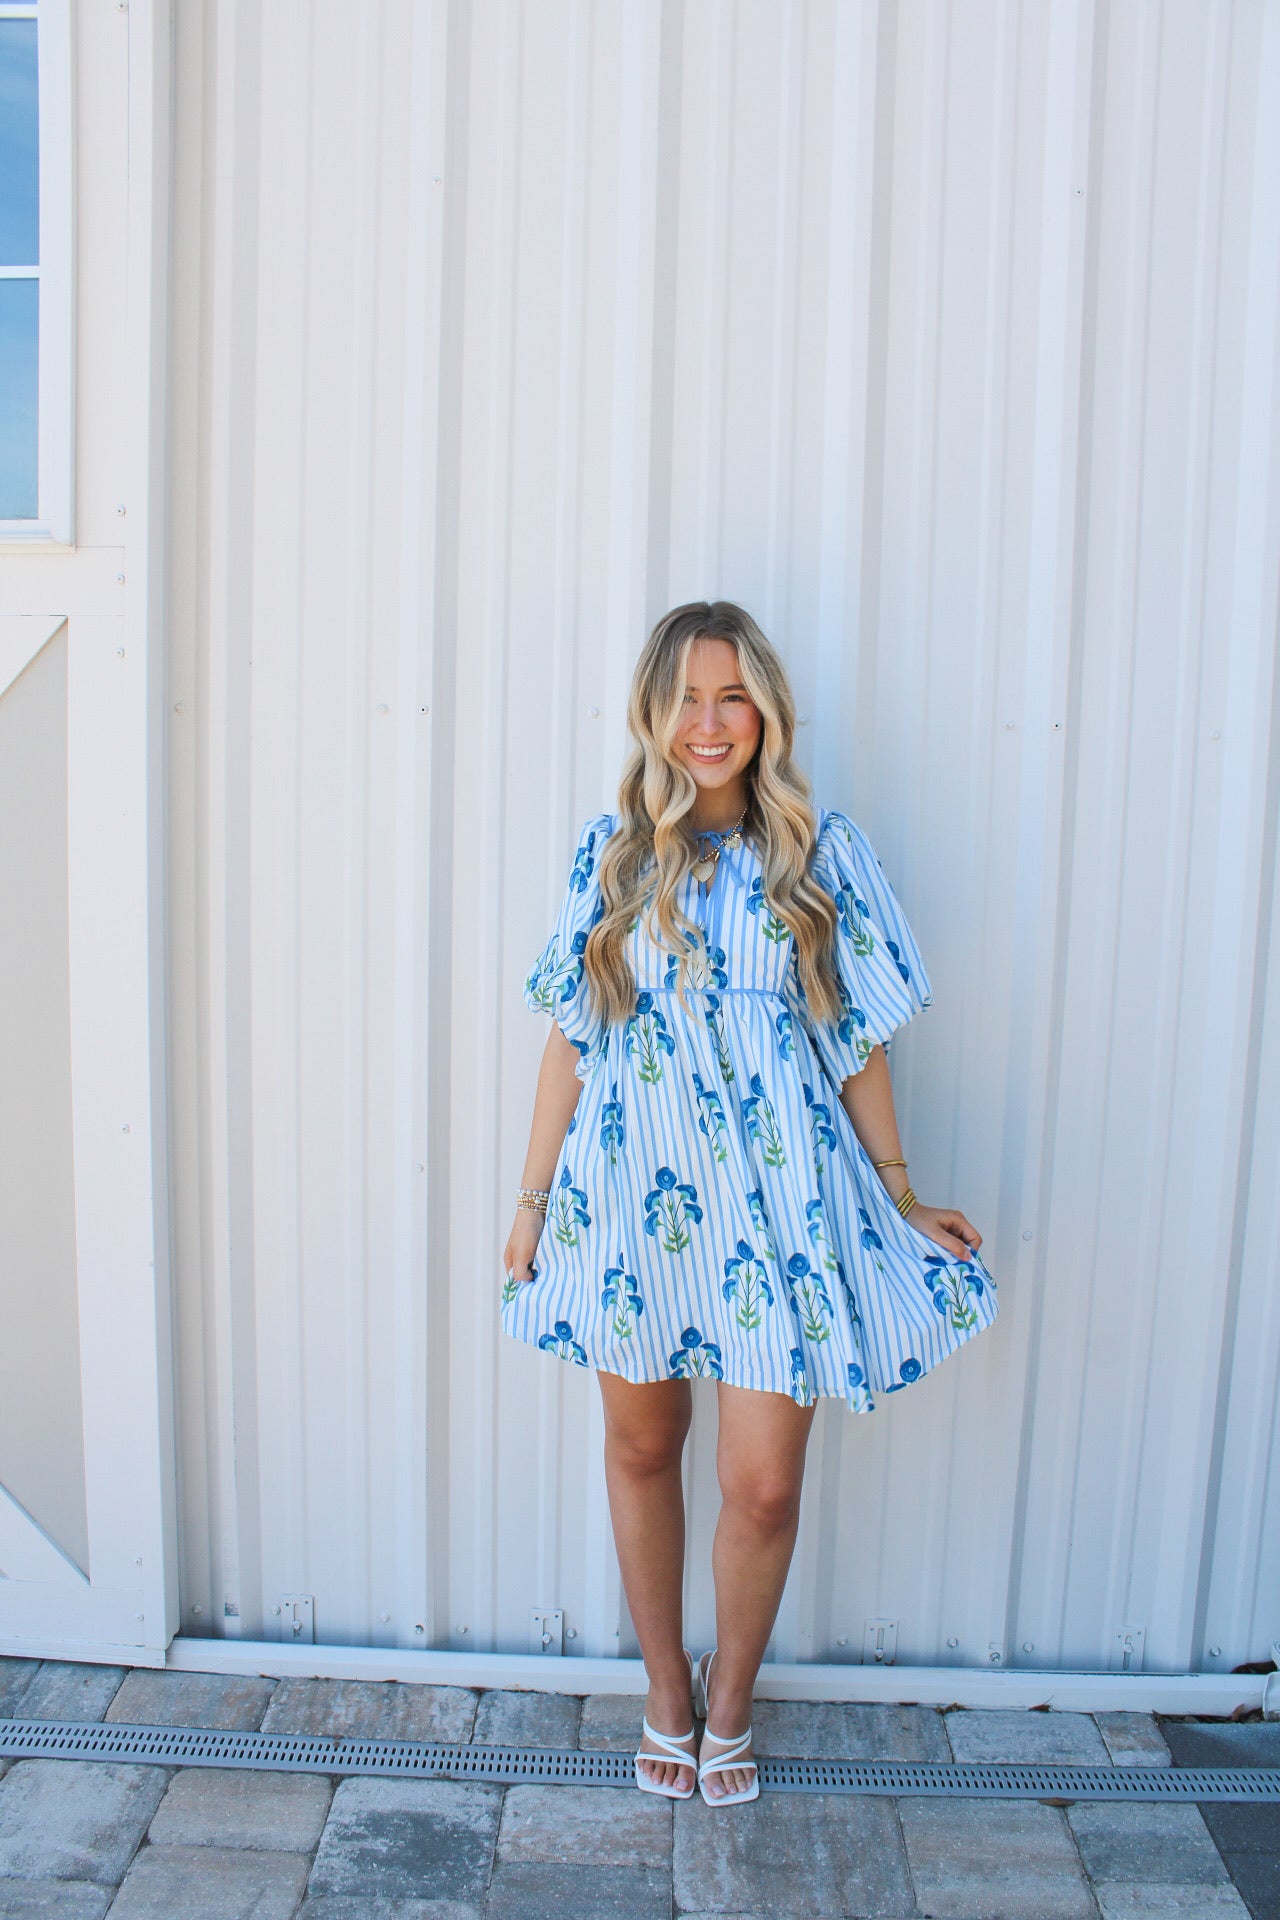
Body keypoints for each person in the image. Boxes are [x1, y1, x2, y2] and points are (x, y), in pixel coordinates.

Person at [501, 600, 998, 1806]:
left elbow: (858, 1040)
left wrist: (901, 1192)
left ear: (764, 709)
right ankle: (665, 1691)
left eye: (730, 697)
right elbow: (572, 1041)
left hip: (778, 1207)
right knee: (640, 1445)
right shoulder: (609, 856)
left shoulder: (823, 855)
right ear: (653, 715)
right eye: (686, 699)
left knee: (761, 1482)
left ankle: (731, 1705)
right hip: (631, 1197)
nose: (708, 724)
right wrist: (528, 1202)